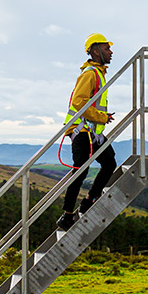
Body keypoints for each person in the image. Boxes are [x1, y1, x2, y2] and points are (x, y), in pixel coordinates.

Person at [56, 33, 117, 231]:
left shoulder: (98, 73)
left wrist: (102, 118)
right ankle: (67, 216)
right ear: (95, 50)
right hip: (83, 131)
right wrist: (101, 117)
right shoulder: (90, 74)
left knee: (109, 163)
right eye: (107, 48)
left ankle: (88, 201)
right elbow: (79, 102)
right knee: (80, 171)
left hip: (92, 132)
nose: (111, 52)